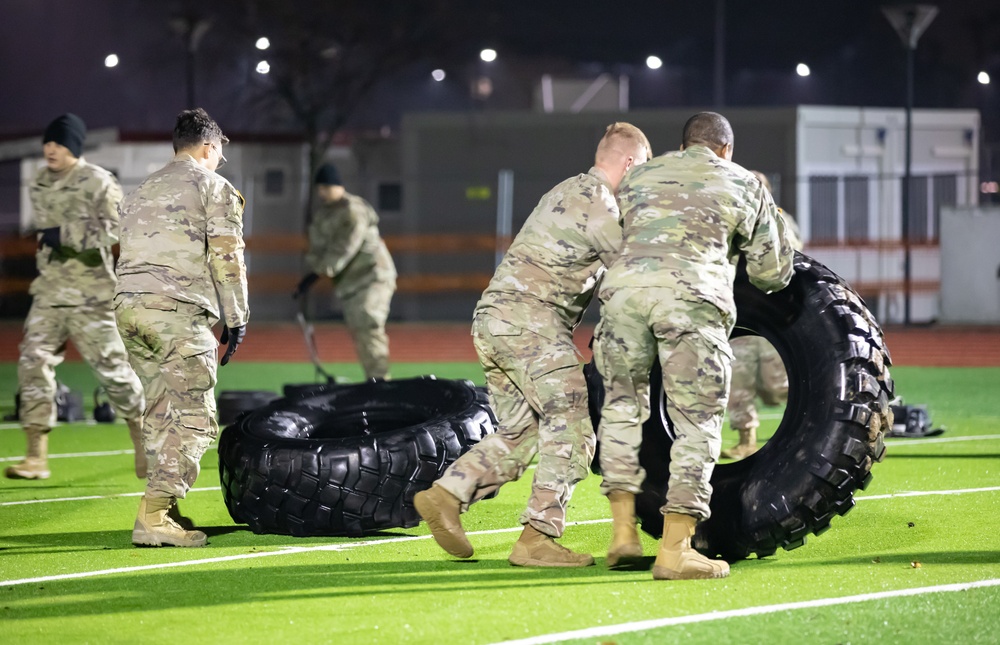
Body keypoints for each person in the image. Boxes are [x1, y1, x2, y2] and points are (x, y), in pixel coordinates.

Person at [415, 122, 652, 567]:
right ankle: (537, 537)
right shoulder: (600, 203)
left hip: (495, 322)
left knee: (521, 433)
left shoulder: (564, 190)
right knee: (575, 425)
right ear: (630, 163)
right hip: (531, 322)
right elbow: (628, 273)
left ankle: (448, 494)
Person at [594, 112, 795, 580]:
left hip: (623, 298)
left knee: (622, 410)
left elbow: (610, 235)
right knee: (697, 422)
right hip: (692, 301)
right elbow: (772, 273)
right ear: (725, 149)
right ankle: (676, 549)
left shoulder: (640, 174)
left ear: (683, 145)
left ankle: (623, 534)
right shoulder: (742, 181)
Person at [115, 108, 249, 548]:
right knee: (195, 418)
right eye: (218, 155)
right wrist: (237, 317)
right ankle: (154, 514)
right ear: (209, 147)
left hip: (130, 310)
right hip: (175, 311)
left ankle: (165, 509)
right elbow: (226, 257)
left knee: (159, 410)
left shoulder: (141, 190)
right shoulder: (213, 186)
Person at [6, 113, 145, 481]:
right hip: (50, 293)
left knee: (114, 373)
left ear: (75, 147)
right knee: (32, 364)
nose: (50, 149)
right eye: (48, 142)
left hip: (91, 294)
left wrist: (64, 234)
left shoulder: (98, 181)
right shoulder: (38, 181)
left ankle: (145, 443)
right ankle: (36, 456)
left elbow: (118, 227)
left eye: (60, 143)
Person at [721, 170, 804, 460]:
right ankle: (747, 439)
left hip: (772, 315)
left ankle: (807, 428)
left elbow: (793, 254)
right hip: (742, 313)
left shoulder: (781, 219)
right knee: (738, 378)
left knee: (777, 384)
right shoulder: (734, 215)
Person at [293, 163, 397, 380]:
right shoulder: (324, 215)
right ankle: (373, 379)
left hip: (373, 276)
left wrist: (318, 272)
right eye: (320, 188)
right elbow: (317, 248)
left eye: (326, 187)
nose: (322, 192)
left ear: (337, 185)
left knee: (369, 323)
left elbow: (345, 247)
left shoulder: (353, 209)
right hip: (350, 282)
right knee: (360, 330)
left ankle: (380, 381)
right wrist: (311, 273)